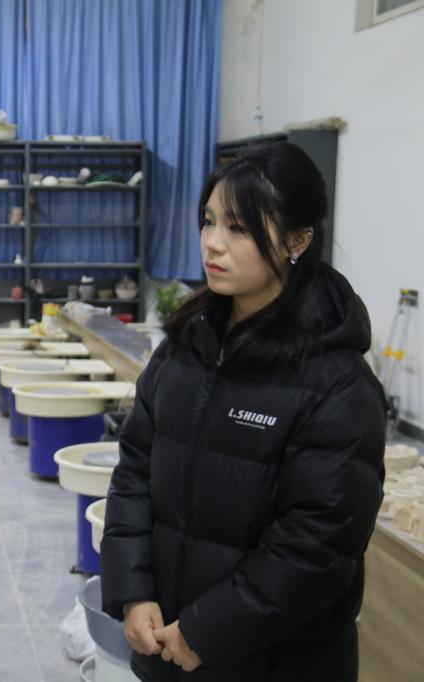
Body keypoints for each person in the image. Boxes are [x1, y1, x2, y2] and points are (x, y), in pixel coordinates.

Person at [100, 141, 385, 682]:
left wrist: (206, 631)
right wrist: (133, 591)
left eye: (239, 228)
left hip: (274, 664)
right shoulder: (186, 346)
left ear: (299, 240)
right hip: (166, 651)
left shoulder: (337, 384)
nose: (212, 243)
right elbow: (135, 470)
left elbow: (316, 544)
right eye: (208, 221)